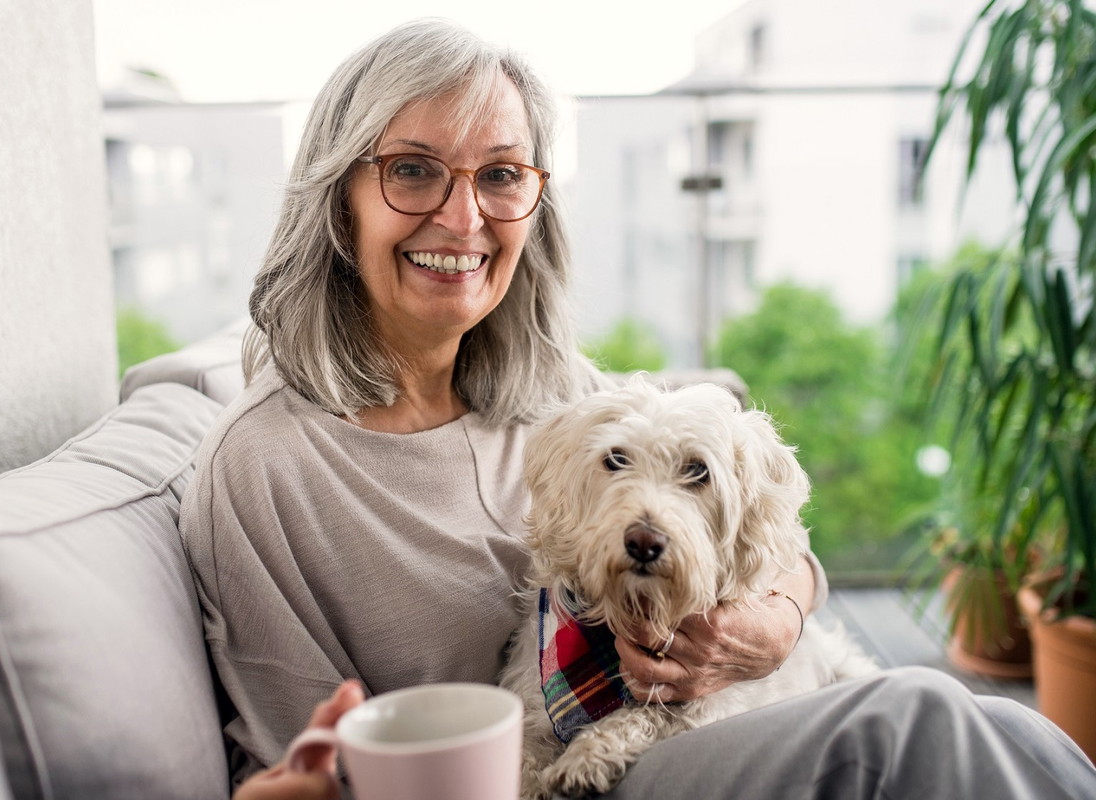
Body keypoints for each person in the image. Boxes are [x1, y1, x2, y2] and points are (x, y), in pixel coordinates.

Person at [179, 18, 1096, 800]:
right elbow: (295, 755)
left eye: (501, 174)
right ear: (338, 201)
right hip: (557, 776)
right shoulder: (264, 470)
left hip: (688, 733)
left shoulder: (557, 392)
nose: (464, 219)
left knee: (980, 726)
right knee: (919, 720)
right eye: (413, 171)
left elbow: (779, 548)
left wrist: (770, 626)